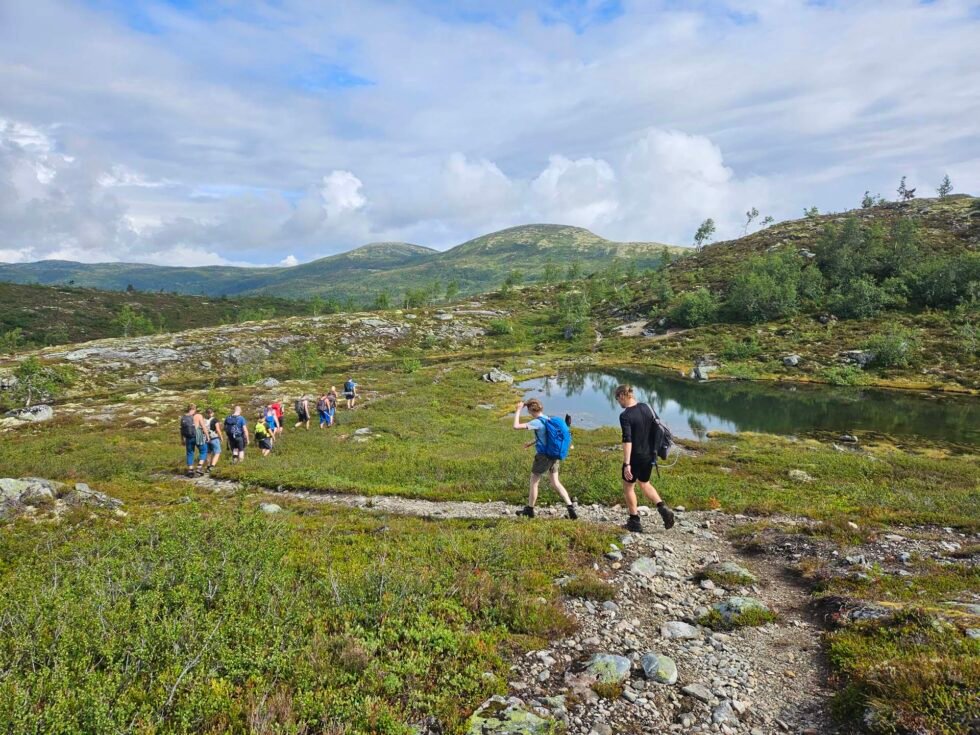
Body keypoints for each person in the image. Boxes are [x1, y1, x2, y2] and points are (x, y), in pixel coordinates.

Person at [615, 384, 675, 533]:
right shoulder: (647, 407)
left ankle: (634, 521)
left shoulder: (625, 416)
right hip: (650, 455)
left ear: (622, 396)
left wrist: (627, 463)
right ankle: (663, 508)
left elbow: (627, 440)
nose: (618, 403)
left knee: (628, 487)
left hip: (635, 457)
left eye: (618, 399)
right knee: (644, 483)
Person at [512, 398, 577, 520]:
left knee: (534, 482)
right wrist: (531, 443)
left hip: (543, 457)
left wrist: (518, 410)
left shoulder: (536, 422)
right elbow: (547, 437)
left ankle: (530, 510)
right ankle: (571, 508)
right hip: (554, 454)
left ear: (530, 410)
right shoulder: (548, 419)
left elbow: (516, 426)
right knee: (556, 483)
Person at [179, 404, 209, 476]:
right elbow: (203, 426)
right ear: (194, 409)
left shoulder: (183, 417)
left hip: (188, 437)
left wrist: (182, 439)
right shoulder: (198, 416)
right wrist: (207, 436)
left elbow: (181, 429)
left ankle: (190, 470)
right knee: (204, 450)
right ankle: (199, 467)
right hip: (198, 434)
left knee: (190, 453)